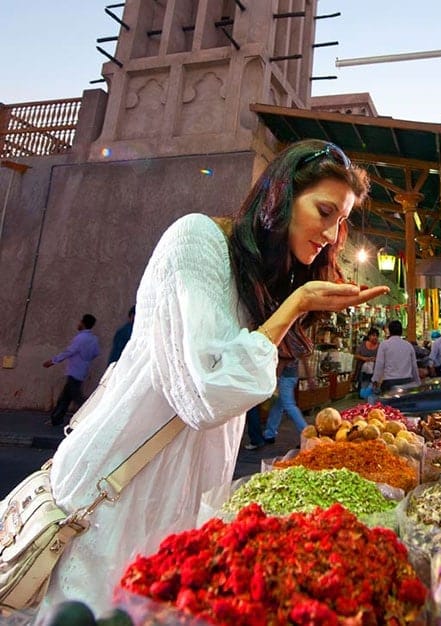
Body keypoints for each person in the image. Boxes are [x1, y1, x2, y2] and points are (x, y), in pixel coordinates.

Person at [40, 139, 388, 614]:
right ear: (281, 196)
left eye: (341, 221)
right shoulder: (197, 239)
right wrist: (295, 305)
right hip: (117, 490)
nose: (332, 232)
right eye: (325, 211)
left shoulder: (259, 278)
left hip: (184, 494)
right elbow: (209, 393)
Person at [43, 313, 100, 427]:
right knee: (65, 397)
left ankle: (92, 416)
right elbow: (95, 353)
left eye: (80, 321)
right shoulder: (93, 339)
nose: (78, 324)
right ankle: (56, 419)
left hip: (74, 371)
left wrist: (53, 361)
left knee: (76, 397)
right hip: (82, 371)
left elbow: (69, 352)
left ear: (83, 323)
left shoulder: (80, 338)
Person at [260, 357, 308, 445]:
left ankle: (307, 434)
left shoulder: (284, 344)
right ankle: (270, 434)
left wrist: (277, 377)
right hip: (292, 375)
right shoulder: (295, 344)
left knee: (289, 405)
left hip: (284, 376)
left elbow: (283, 360)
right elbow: (304, 359)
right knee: (278, 405)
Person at [371, 319, 420, 392]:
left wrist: (375, 380)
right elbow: (414, 366)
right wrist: (417, 381)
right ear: (401, 331)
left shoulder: (384, 345)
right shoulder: (408, 346)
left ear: (389, 331)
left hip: (390, 382)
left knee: (389, 403)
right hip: (407, 382)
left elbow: (379, 365)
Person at [353, 326, 380, 391]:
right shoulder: (363, 344)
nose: (375, 337)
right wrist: (364, 358)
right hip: (362, 371)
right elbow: (356, 355)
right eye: (373, 335)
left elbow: (383, 358)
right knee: (363, 388)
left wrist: (376, 359)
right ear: (369, 336)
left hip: (374, 371)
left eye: (376, 336)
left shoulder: (380, 346)